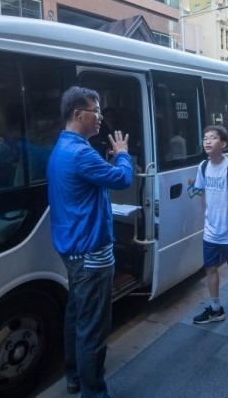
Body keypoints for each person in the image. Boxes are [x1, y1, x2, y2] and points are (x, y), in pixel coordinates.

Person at [47, 86, 133, 397]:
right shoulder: (81, 152)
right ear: (77, 114)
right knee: (93, 328)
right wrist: (122, 154)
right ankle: (93, 391)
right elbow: (122, 179)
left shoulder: (62, 147)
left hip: (72, 249)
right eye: (95, 112)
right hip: (92, 253)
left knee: (76, 316)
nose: (99, 118)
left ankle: (74, 377)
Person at [192, 125, 228, 324]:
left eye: (212, 138)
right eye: (205, 138)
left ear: (223, 144)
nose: (207, 141)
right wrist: (206, 216)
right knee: (210, 268)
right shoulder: (203, 166)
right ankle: (215, 308)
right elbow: (203, 192)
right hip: (211, 232)